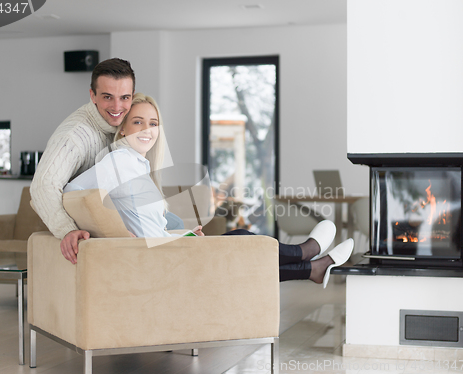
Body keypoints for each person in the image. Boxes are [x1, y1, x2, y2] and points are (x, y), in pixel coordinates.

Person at [64, 93, 354, 287]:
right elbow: (73, 191)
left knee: (242, 248)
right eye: (137, 122)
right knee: (243, 241)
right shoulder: (119, 161)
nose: (146, 130)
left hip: (164, 251)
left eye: (153, 123)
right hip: (159, 260)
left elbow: (149, 230)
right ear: (124, 129)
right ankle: (306, 254)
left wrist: (184, 235)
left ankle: (312, 267)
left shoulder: (135, 165)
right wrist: (108, 232)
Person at [30, 58, 136, 265]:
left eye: (124, 97)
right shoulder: (74, 136)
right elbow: (43, 185)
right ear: (92, 96)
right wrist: (67, 230)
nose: (117, 106)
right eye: (107, 97)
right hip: (90, 235)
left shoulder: (128, 126)